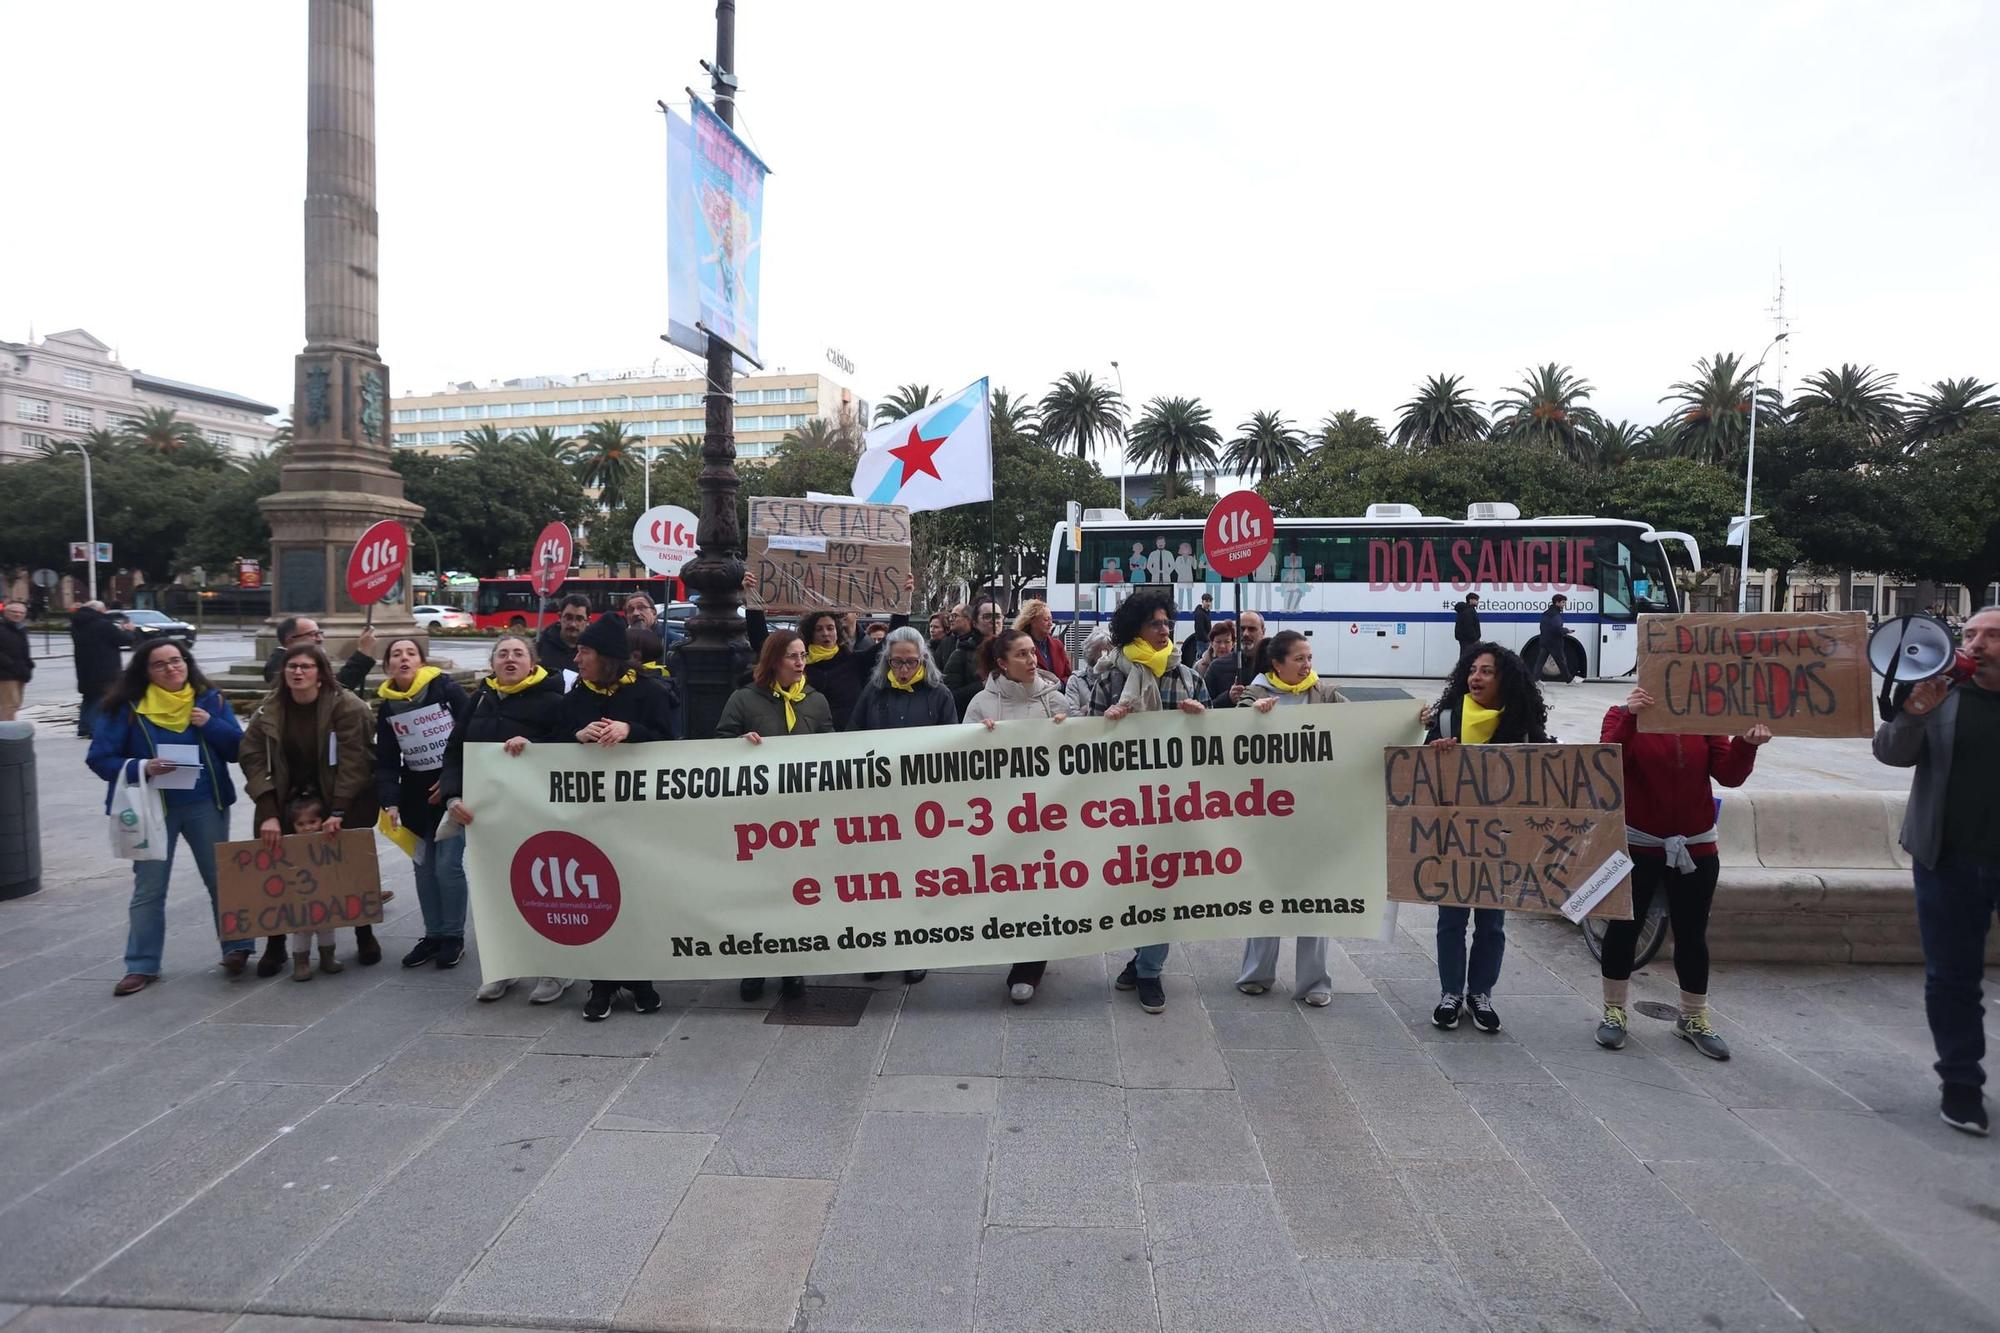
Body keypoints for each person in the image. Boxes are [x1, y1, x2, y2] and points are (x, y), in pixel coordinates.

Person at [1874, 604, 2000, 1136]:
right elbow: (1890, 753)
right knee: (1953, 978)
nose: (1975, 644)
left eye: (1991, 636)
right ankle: (1961, 1085)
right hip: (1947, 859)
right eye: (1969, 633)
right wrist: (1914, 711)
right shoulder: (1941, 695)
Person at [1595, 686, 1769, 1060]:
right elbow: (1607, 764)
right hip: (1637, 846)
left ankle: (1693, 1017)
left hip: (1696, 847)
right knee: (1625, 927)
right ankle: (1614, 1010)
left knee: (1692, 935)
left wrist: (1746, 744)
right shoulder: (1619, 714)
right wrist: (1630, 717)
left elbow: (1729, 775)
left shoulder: (1704, 722)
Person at [86, 638, 245, 995]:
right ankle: (141, 965)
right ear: (145, 671)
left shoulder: (210, 700)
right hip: (151, 809)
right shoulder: (125, 708)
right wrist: (143, 767)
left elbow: (237, 749)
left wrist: (210, 725)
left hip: (206, 803)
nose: (172, 668)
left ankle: (237, 947)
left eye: (177, 660)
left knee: (222, 880)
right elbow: (100, 758)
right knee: (149, 889)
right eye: (160, 664)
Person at [1422, 642, 1552, 1034]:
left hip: (1501, 839)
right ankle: (1450, 993)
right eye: (1472, 670)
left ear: (1505, 680)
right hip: (1453, 834)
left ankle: (1481, 994)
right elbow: (1419, 772)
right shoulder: (1446, 719)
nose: (1476, 678)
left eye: (1487, 671)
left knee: (1492, 923)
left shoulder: (1522, 723)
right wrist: (1435, 751)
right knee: (1451, 920)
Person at [1088, 589, 1208, 1015]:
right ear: (1134, 629)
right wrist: (1105, 726)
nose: (1164, 630)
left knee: (1162, 886)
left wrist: (1202, 719)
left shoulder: (1189, 677)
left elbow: (1217, 745)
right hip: (1122, 806)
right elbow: (1084, 750)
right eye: (1155, 623)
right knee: (1129, 887)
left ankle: (1150, 970)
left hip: (1175, 804)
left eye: (1167, 622)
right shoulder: (1109, 679)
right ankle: (1141, 957)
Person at [440, 633, 572, 1006]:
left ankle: (555, 968)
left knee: (547, 889)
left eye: (518, 653)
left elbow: (571, 749)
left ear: (533, 662)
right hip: (490, 818)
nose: (510, 659)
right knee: (497, 893)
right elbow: (455, 753)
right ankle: (503, 965)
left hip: (537, 814)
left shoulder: (554, 699)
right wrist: (453, 796)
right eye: (502, 654)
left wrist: (535, 751)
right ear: (493, 663)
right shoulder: (480, 699)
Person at [561, 613, 677, 1021]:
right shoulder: (576, 697)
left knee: (637, 899)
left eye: (585, 652)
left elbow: (672, 744)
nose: (577, 659)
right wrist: (575, 738)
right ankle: (602, 983)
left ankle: (640, 978)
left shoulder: (649, 692)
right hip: (592, 818)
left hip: (638, 817)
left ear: (607, 657)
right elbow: (550, 746)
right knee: (599, 899)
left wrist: (632, 731)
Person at [241, 643, 382, 975]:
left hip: (342, 795)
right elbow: (251, 755)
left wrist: (339, 812)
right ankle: (276, 944)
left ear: (321, 673)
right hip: (288, 796)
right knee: (277, 867)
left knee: (346, 866)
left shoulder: (347, 706)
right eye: (292, 667)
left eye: (306, 666)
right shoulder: (270, 709)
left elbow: (356, 761)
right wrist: (269, 809)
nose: (298, 672)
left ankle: (364, 933)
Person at [715, 630, 834, 1003]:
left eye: (803, 656)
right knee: (758, 892)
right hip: (758, 817)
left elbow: (834, 747)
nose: (801, 664)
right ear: (773, 661)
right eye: (792, 657)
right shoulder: (743, 700)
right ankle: (755, 966)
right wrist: (738, 744)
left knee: (796, 892)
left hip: (802, 818)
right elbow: (717, 744)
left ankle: (791, 966)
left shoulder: (815, 701)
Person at [1235, 631, 1342, 1005]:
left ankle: (1315, 982)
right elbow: (1229, 739)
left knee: (1314, 896)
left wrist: (1414, 719)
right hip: (1268, 814)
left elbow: (1362, 725)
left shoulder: (1325, 694)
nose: (1307, 665)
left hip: (1314, 813)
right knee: (1267, 892)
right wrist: (1252, 717)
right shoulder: (1255, 694)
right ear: (1276, 664)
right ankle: (1257, 974)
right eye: (1299, 659)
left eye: (1309, 658)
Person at [965, 627, 1070, 1002]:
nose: (1032, 661)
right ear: (1002, 663)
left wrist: (1067, 732)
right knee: (1010, 885)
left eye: (1033, 653)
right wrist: (978, 738)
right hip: (1000, 816)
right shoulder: (981, 704)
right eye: (1022, 655)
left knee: (1040, 884)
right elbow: (960, 760)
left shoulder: (1055, 701)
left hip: (1047, 813)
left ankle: (1029, 965)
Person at [848, 626, 956, 985]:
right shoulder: (874, 692)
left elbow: (951, 748)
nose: (905, 669)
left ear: (923, 659)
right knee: (880, 880)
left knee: (917, 879)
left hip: (922, 807)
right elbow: (852, 738)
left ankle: (915, 950)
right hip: (879, 803)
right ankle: (879, 947)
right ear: (886, 662)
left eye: (911, 661)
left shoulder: (939, 695)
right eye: (898, 662)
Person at [374, 636, 473, 969]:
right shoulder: (387, 706)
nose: (404, 658)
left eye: (410, 653)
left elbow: (472, 736)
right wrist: (390, 800)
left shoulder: (445, 690)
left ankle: (453, 936)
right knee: (423, 868)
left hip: (454, 791)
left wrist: (451, 782)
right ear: (387, 666)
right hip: (417, 797)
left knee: (448, 865)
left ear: (422, 661)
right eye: (396, 654)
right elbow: (386, 760)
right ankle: (432, 936)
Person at [283, 794, 348, 980]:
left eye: (312, 821)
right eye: (301, 824)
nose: (308, 827)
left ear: (322, 820)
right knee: (301, 931)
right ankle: (301, 962)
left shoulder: (328, 841)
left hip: (325, 896)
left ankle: (328, 957)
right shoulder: (290, 844)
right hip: (300, 899)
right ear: (293, 826)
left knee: (327, 927)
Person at [261, 618, 376, 692]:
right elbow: (334, 690)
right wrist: (362, 653)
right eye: (313, 634)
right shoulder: (277, 666)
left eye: (320, 633)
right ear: (290, 640)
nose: (320, 639)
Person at [70, 600, 129, 737]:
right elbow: (123, 640)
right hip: (105, 668)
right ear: (99, 611)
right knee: (100, 698)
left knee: (89, 697)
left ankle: (84, 727)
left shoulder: (77, 624)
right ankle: (93, 728)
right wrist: (128, 630)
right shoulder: (103, 625)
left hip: (85, 667)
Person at [945, 600, 1005, 715]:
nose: (994, 621)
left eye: (997, 616)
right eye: (987, 617)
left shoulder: (1011, 651)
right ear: (975, 623)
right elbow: (949, 696)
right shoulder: (962, 653)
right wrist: (982, 685)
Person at [1016, 599, 1072, 682]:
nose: (1050, 623)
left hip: (1059, 692)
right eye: (1046, 619)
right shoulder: (1020, 645)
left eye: (1051, 619)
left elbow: (1069, 676)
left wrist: (1060, 685)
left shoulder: (1058, 645)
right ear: (1032, 621)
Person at [537, 594, 592, 674]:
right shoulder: (541, 646)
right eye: (568, 617)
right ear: (559, 617)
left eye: (579, 619)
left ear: (588, 621)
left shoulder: (596, 650)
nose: (573, 624)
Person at [1064, 630, 1114, 715]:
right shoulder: (1076, 680)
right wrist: (1092, 708)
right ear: (1091, 653)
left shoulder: (1117, 677)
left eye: (1110, 651)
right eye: (1103, 651)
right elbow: (1070, 714)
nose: (1106, 656)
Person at [0, 599, 31, 722]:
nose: (17, 615)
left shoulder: (20, 629)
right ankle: (7, 735)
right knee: (7, 706)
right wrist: (9, 664)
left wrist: (29, 666)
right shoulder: (2, 628)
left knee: (15, 705)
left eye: (21, 613)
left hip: (20, 673)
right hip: (5, 674)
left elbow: (24, 651)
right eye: (13, 612)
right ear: (5, 612)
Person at [1538, 593, 1576, 684]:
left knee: (1540, 662)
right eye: (1563, 602)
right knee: (1561, 662)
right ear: (1557, 603)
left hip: (1544, 640)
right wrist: (1567, 630)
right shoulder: (1555, 615)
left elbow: (1542, 627)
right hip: (1554, 642)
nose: (1564, 605)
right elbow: (1557, 629)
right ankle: (1569, 680)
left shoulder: (1546, 613)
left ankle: (1535, 679)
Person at [1199, 620, 1241, 702]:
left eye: (1227, 642)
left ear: (1233, 643)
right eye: (1218, 642)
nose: (1222, 646)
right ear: (1211, 643)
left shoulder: (1239, 665)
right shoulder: (1200, 666)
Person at [1185, 593, 1213, 667]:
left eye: (1210, 601)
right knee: (1202, 658)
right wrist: (1207, 639)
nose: (1208, 603)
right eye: (1206, 601)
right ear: (1202, 601)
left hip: (1204, 640)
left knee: (1202, 658)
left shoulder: (1206, 612)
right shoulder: (1200, 613)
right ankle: (1198, 672)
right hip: (1202, 641)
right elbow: (1199, 628)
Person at [1453, 591, 1482, 661]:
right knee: (1468, 658)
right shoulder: (1469, 611)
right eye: (1476, 600)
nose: (1478, 602)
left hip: (1464, 639)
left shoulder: (1465, 610)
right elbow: (1469, 627)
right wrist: (1475, 638)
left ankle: (1462, 670)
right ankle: (1464, 671)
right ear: (1471, 600)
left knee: (1465, 656)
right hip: (1469, 640)